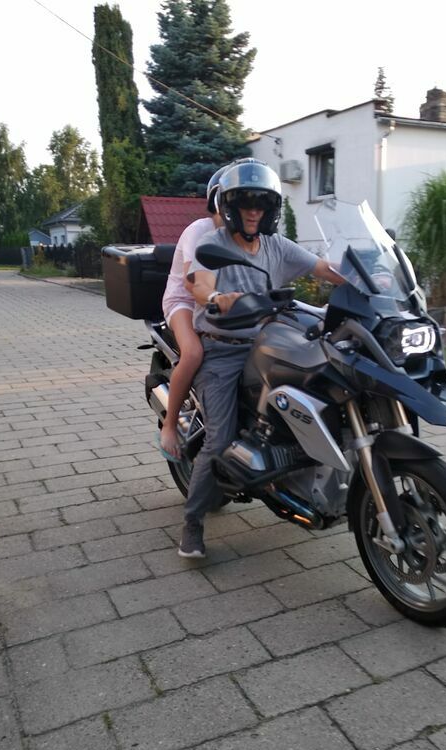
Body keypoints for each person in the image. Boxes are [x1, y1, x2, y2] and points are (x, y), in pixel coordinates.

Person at [179, 158, 341, 558]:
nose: (254, 211)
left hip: (269, 340)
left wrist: (368, 277)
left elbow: (323, 268)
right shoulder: (214, 244)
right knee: (219, 439)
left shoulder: (275, 245)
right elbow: (200, 284)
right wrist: (217, 298)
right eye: (246, 203)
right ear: (230, 206)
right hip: (222, 349)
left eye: (262, 204)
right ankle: (192, 524)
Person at [158, 165, 228, 459]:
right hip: (183, 302)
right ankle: (170, 425)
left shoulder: (244, 234)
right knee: (194, 353)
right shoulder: (199, 230)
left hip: (218, 302)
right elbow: (192, 282)